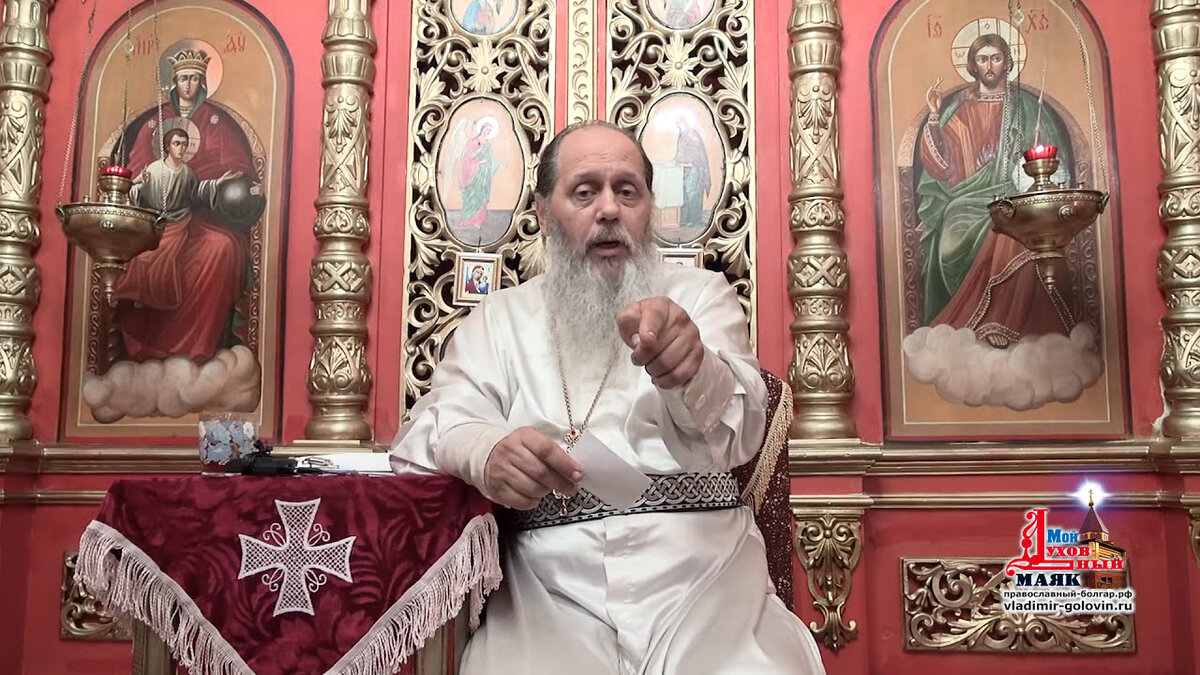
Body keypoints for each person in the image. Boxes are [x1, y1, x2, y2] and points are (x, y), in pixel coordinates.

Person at [391, 121, 825, 674]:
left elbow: (741, 431)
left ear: (649, 208)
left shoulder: (700, 297)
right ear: (544, 214)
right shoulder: (499, 321)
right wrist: (488, 453)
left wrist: (693, 372)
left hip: (704, 581)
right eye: (584, 192)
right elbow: (426, 435)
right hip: (548, 594)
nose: (610, 209)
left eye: (627, 191)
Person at [916, 32, 1075, 347]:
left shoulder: (1026, 107)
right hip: (966, 200)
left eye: (996, 58)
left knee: (1014, 227)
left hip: (1015, 194)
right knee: (953, 229)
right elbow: (941, 168)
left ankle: (1007, 324)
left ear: (1007, 62)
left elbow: (1049, 155)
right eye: (982, 59)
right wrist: (934, 115)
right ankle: (973, 325)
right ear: (973, 65)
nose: (989, 66)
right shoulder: (959, 109)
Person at [110, 46, 262, 361]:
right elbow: (133, 178)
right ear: (173, 83)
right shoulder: (155, 123)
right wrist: (138, 189)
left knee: (223, 248)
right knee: (137, 259)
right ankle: (146, 350)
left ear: (203, 82)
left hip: (201, 221)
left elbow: (208, 185)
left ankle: (200, 351)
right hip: (154, 223)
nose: (189, 85)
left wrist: (228, 183)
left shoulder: (216, 123)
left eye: (194, 78)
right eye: (183, 79)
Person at [112, 127, 246, 362]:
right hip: (159, 228)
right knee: (147, 261)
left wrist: (219, 183)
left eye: (184, 144)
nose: (181, 148)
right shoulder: (153, 170)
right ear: (167, 146)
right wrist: (140, 186)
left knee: (224, 245)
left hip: (184, 227)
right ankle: (141, 302)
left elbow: (196, 193)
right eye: (177, 143)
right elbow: (132, 193)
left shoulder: (187, 172)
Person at [457, 119, 500, 228]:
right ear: (482, 129)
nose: (487, 132)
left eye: (489, 130)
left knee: (481, 195)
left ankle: (478, 220)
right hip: (473, 173)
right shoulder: (472, 142)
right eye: (486, 129)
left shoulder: (488, 145)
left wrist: (496, 164)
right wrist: (478, 162)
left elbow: (489, 159)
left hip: (484, 174)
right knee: (472, 195)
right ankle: (468, 220)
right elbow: (466, 158)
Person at [673, 115, 711, 228]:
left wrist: (689, 161)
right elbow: (680, 154)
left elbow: (698, 154)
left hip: (695, 170)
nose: (679, 127)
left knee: (694, 196)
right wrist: (678, 161)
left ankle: (695, 220)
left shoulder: (692, 135)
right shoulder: (682, 135)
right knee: (685, 195)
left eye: (680, 124)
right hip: (685, 170)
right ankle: (686, 219)